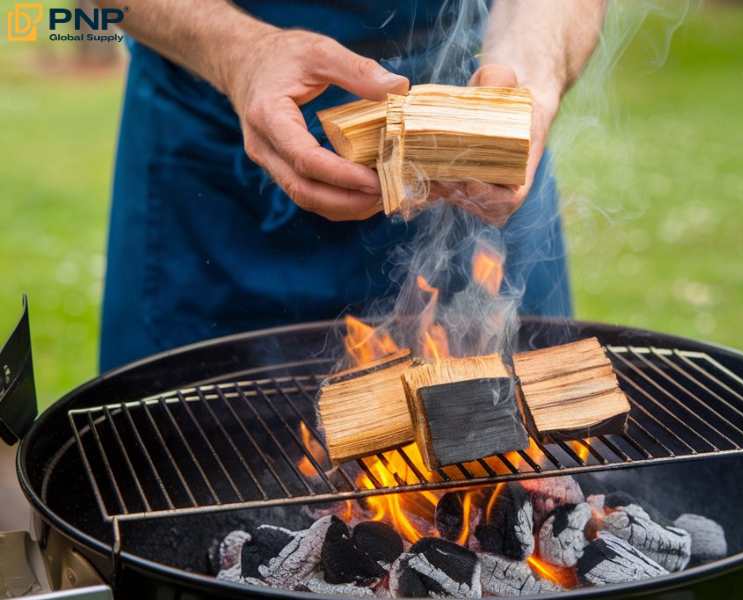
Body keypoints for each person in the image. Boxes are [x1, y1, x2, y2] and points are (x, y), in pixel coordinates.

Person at [96, 0, 606, 371]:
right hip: (212, 136)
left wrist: (528, 81)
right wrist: (240, 56)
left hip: (460, 110)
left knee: (519, 467)